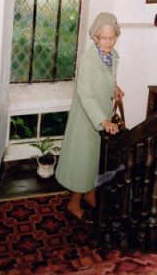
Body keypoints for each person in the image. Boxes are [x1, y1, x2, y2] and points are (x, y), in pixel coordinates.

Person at [55, 12, 124, 222]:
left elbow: (105, 78)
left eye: (112, 37)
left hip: (102, 118)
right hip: (88, 119)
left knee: (95, 161)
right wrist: (102, 120)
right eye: (104, 38)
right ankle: (73, 204)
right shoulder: (87, 60)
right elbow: (85, 94)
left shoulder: (111, 55)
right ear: (95, 37)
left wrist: (115, 87)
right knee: (83, 163)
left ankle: (90, 193)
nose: (109, 41)